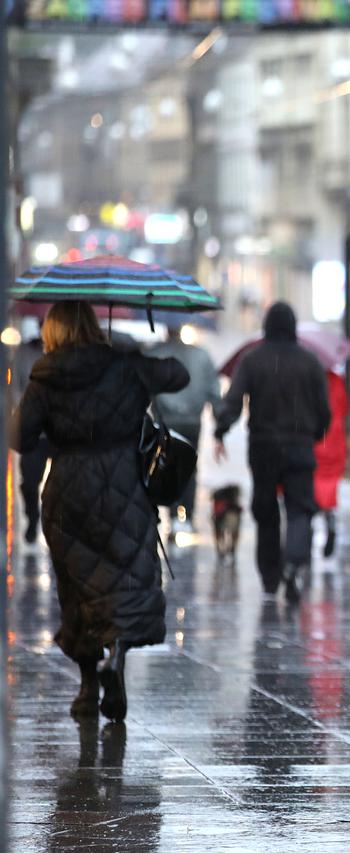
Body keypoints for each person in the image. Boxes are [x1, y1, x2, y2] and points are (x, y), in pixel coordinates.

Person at [9, 301, 189, 722]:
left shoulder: (45, 375)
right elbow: (178, 376)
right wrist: (132, 353)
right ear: (93, 325)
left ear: (53, 331)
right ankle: (117, 660)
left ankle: (88, 688)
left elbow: (20, 436)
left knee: (78, 590)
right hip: (123, 487)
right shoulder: (124, 364)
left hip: (68, 492)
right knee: (126, 579)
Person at [215, 302, 330, 603]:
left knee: (265, 510)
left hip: (263, 446)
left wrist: (221, 429)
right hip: (300, 445)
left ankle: (269, 576)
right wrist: (315, 433)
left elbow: (233, 401)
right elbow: (324, 409)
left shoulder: (253, 360)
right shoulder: (310, 361)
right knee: (299, 508)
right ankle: (293, 563)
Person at [148, 321, 222, 538]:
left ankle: (172, 515)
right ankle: (187, 517)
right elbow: (213, 391)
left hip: (165, 421)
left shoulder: (155, 354)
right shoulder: (201, 355)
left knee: (167, 465)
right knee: (189, 467)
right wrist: (221, 426)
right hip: (192, 422)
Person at [11, 316, 50, 544]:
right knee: (29, 482)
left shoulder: (61, 355)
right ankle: (32, 519)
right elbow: (15, 387)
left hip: (58, 430)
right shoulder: (24, 354)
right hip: (33, 429)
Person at [313, 369, 349, 558]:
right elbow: (343, 407)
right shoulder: (336, 380)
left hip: (316, 439)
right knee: (329, 489)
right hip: (334, 440)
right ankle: (330, 521)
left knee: (311, 489)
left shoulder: (309, 376)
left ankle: (307, 529)